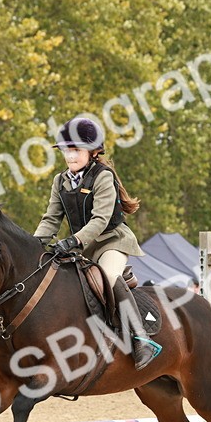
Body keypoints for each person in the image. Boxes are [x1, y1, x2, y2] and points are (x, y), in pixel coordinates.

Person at [33, 115, 161, 369]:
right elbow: (51, 219)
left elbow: (100, 220)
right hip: (83, 247)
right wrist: (33, 246)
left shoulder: (102, 177)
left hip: (112, 241)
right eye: (66, 151)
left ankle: (142, 339)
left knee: (108, 276)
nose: (70, 157)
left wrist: (72, 241)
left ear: (92, 151)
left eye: (76, 150)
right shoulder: (60, 181)